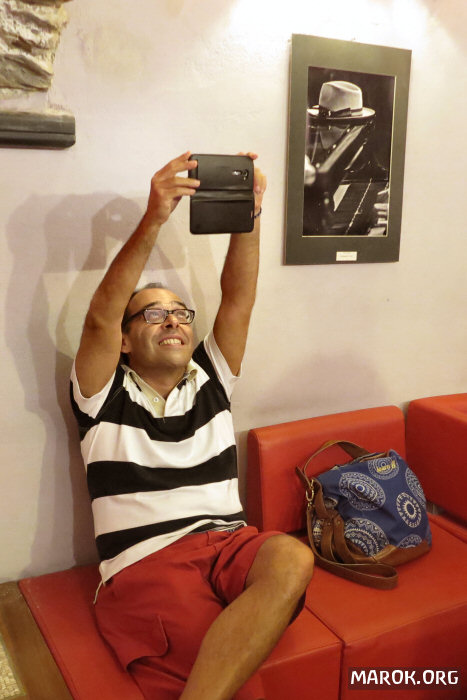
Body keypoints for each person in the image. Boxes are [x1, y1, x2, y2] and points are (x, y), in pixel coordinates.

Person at [70, 151, 314, 700]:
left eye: (180, 312)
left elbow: (239, 298)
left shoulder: (211, 379)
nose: (173, 320)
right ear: (125, 341)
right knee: (231, 682)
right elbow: (100, 317)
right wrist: (155, 216)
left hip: (230, 545)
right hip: (149, 559)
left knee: (292, 556)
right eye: (153, 314)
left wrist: (250, 213)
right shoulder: (101, 395)